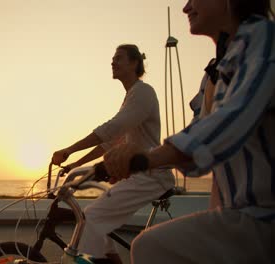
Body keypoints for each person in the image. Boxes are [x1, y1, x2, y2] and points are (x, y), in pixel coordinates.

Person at [102, 1, 275, 263]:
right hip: (236, 213)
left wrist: (147, 159)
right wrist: (114, 164)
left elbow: (230, 121)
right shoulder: (219, 66)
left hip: (262, 217)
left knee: (149, 247)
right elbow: (199, 129)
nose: (186, 7)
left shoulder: (263, 39)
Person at [51, 44, 174, 263]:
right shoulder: (131, 97)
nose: (112, 62)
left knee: (91, 218)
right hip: (138, 175)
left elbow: (112, 128)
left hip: (151, 176)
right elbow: (110, 143)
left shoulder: (143, 92)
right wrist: (75, 164)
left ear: (135, 63)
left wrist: (69, 149)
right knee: (95, 218)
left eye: (118, 58)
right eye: (112, 58)